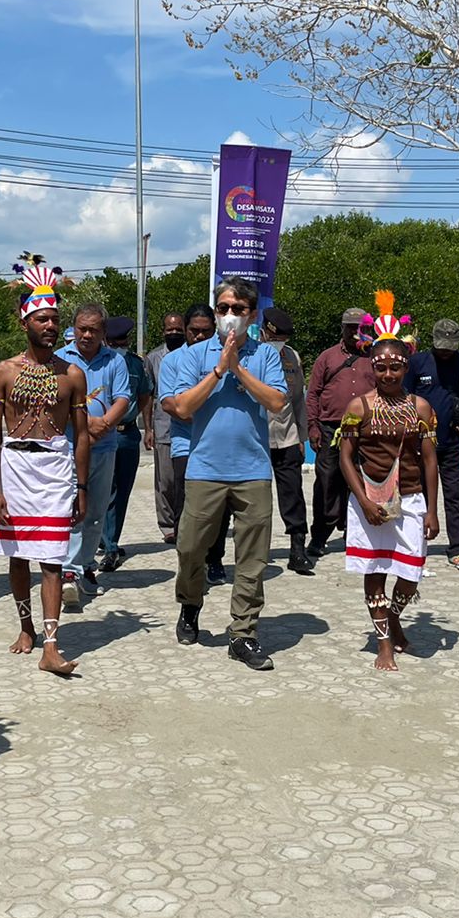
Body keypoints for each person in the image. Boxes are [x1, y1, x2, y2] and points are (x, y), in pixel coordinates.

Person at [165, 277, 288, 670]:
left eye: (238, 310)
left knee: (252, 559)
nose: (229, 316)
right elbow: (183, 408)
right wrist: (220, 369)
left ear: (251, 314)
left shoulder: (266, 357)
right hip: (205, 469)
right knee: (189, 548)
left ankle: (243, 634)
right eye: (223, 309)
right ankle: (190, 605)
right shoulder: (194, 355)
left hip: (252, 471)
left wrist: (239, 366)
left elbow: (276, 401)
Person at [0, 254, 91, 676]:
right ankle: (25, 627)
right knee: (17, 556)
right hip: (14, 469)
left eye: (54, 318)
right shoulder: (2, 373)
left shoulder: (73, 375)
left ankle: (51, 645)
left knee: (51, 557)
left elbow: (82, 435)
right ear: (25, 323)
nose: (50, 325)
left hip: (54, 470)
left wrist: (81, 487)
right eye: (42, 319)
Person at [338, 293, 439, 671]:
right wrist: (364, 502)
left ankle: (394, 616)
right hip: (369, 503)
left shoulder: (421, 409)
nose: (388, 375)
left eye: (395, 368)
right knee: (375, 572)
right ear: (372, 368)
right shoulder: (358, 407)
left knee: (410, 574)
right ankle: (383, 643)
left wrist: (431, 510)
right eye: (381, 369)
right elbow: (345, 457)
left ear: (406, 366)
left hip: (411, 501)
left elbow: (431, 462)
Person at [56, 303, 130, 605]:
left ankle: (86, 565)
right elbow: (55, 402)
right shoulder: (59, 359)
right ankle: (68, 571)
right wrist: (85, 424)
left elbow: (123, 397)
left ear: (103, 332)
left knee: (97, 511)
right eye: (82, 328)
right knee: (74, 507)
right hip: (69, 447)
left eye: (94, 330)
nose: (87, 335)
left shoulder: (114, 361)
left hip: (105, 445)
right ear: (74, 328)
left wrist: (105, 424)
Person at [163, 304, 231, 583]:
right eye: (194, 331)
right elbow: (170, 404)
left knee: (221, 507)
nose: (199, 337)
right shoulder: (173, 360)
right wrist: (203, 420)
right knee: (186, 507)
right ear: (186, 330)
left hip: (221, 447)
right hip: (185, 445)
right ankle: (188, 561)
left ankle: (215, 559)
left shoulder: (226, 357)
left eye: (206, 331)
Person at [405, 318, 459, 572]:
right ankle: (417, 546)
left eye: (451, 346)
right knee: (420, 496)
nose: (446, 350)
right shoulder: (416, 363)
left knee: (453, 496)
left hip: (453, 442)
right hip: (420, 443)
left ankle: (458, 549)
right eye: (442, 345)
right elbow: (405, 399)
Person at [306, 307, 375, 557]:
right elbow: (313, 393)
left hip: (366, 430)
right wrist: (312, 426)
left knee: (363, 483)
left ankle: (355, 535)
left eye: (361, 328)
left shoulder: (375, 356)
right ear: (342, 328)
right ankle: (319, 536)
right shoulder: (328, 357)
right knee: (326, 482)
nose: (356, 332)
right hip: (330, 428)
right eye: (351, 327)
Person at [100, 315, 155, 572]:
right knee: (102, 491)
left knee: (121, 493)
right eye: (114, 340)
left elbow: (145, 395)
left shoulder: (135, 364)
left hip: (127, 434)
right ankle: (105, 542)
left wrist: (144, 425)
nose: (119, 344)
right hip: (101, 434)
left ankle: (111, 543)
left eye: (122, 340)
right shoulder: (101, 363)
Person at [260, 307, 313, 575]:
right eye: (276, 336)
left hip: (287, 434)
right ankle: (254, 551)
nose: (280, 341)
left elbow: (298, 400)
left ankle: (297, 550)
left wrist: (301, 437)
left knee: (292, 493)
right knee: (254, 497)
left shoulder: (292, 356)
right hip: (255, 436)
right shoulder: (250, 354)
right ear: (264, 332)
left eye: (284, 337)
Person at [144, 312, 186, 543]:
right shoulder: (153, 358)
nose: (174, 333)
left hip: (190, 425)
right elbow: (148, 395)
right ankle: (167, 524)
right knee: (166, 481)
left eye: (178, 329)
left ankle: (185, 522)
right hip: (164, 427)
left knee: (185, 479)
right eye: (169, 330)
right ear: (163, 331)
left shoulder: (191, 354)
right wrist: (148, 428)